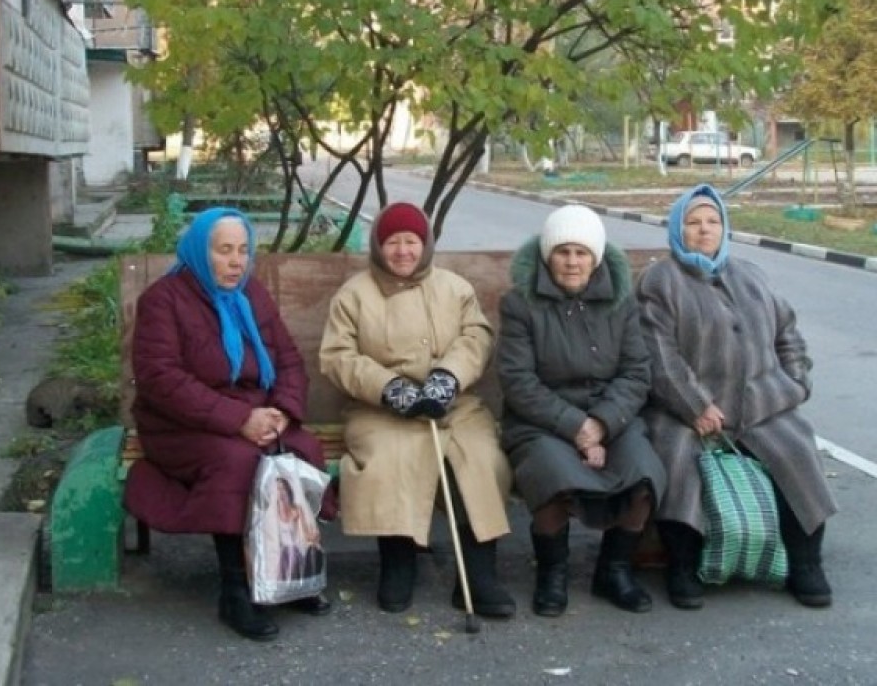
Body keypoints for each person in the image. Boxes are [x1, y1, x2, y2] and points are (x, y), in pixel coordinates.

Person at [124, 207, 336, 643]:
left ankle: (291, 573)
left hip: (256, 413)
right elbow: (161, 380)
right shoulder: (163, 300)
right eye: (224, 251)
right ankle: (237, 590)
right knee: (238, 463)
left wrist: (282, 411)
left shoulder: (251, 294)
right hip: (181, 426)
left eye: (243, 251)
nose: (236, 262)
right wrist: (239, 419)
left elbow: (289, 359)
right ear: (201, 253)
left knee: (302, 450)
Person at [636, 184, 838, 610]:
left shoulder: (751, 275)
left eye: (712, 221)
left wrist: (796, 383)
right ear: (678, 230)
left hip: (766, 405)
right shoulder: (661, 281)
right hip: (688, 410)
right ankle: (683, 565)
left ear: (724, 228)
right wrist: (694, 405)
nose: (704, 230)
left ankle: (806, 563)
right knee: (675, 454)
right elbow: (659, 354)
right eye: (693, 222)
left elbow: (789, 335)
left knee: (797, 447)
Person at [318, 202, 515, 617]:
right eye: (393, 242)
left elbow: (476, 337)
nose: (403, 251)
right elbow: (338, 356)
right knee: (391, 459)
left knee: (480, 458)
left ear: (424, 245)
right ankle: (397, 563)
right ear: (379, 246)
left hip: (452, 404)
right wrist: (391, 389)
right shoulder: (354, 294)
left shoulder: (454, 288)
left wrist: (447, 378)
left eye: (411, 241)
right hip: (380, 409)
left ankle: (478, 573)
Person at [496, 205, 667, 616]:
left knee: (643, 471)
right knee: (552, 473)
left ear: (596, 256)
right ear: (546, 255)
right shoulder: (520, 304)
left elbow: (636, 371)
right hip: (541, 421)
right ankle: (552, 574)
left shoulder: (621, 302)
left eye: (581, 252)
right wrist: (576, 427)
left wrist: (603, 424)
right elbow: (518, 381)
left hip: (611, 417)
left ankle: (614, 569)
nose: (572, 262)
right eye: (562, 251)